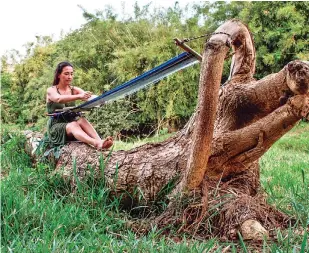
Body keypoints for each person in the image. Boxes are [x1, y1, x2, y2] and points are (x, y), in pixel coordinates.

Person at [46, 61, 113, 150]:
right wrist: (79, 96)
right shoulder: (51, 90)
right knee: (74, 124)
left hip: (71, 127)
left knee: (81, 120)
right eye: (66, 74)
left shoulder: (74, 89)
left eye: (71, 74)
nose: (69, 77)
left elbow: (88, 97)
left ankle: (100, 142)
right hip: (56, 128)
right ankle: (95, 143)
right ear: (58, 75)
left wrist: (102, 99)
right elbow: (58, 98)